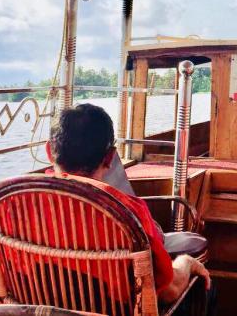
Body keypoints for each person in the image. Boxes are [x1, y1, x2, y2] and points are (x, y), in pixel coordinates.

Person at [46, 103, 211, 306]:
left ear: (49, 151)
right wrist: (187, 262)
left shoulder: (12, 205)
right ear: (110, 158)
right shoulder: (127, 213)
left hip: (40, 308)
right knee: (205, 288)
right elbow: (169, 292)